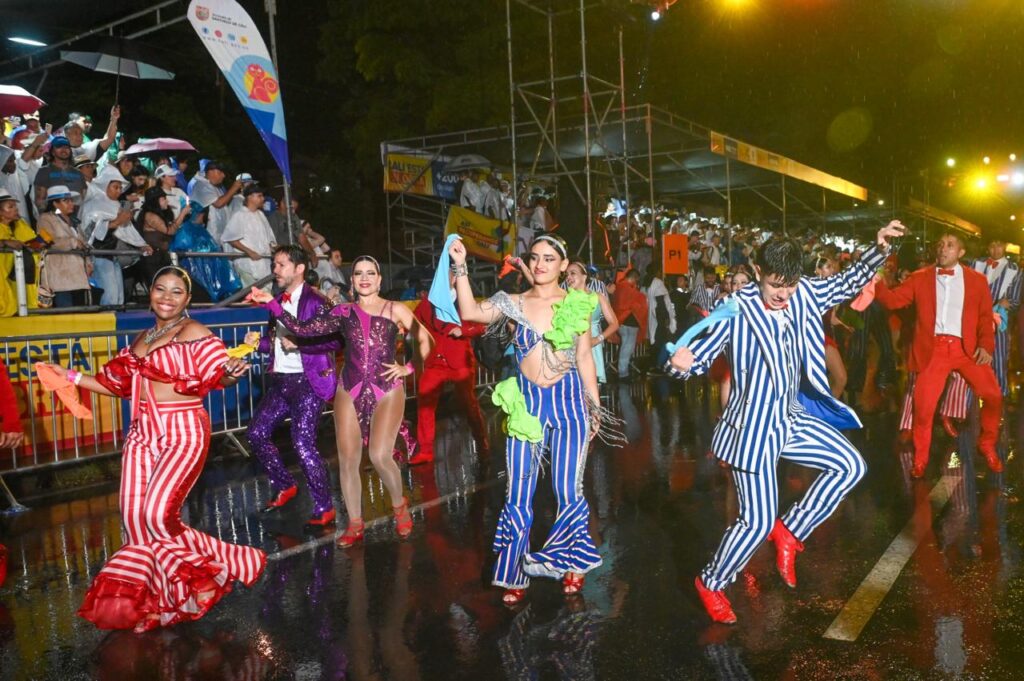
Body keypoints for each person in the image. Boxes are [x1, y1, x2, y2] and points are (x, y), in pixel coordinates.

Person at [667, 221, 904, 624]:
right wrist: (681, 364)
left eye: (790, 286)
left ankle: (790, 532)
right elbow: (700, 354)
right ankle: (711, 582)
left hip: (790, 417)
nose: (783, 294)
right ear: (758, 272)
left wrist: (879, 248)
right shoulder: (736, 308)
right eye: (776, 285)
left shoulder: (805, 292)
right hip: (750, 429)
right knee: (756, 521)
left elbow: (847, 282)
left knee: (850, 465)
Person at [37, 266, 265, 632]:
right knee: (133, 520)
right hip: (142, 434)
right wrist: (70, 376)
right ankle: (155, 604)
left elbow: (217, 373)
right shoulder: (142, 338)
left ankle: (227, 560)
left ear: (187, 299)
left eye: (177, 292)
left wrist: (230, 373)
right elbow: (115, 385)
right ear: (151, 292)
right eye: (160, 289)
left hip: (182, 431)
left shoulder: (194, 332)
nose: (167, 297)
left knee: (158, 516)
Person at [449, 233, 616, 606]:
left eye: (549, 258)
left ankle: (573, 562)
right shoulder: (513, 302)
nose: (540, 264)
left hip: (570, 404)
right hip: (527, 406)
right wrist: (460, 266)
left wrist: (594, 407)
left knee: (567, 490)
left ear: (562, 265)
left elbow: (584, 359)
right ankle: (514, 571)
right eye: (535, 257)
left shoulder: (576, 303)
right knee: (518, 493)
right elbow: (470, 312)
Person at [248, 255, 432, 548]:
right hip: (349, 388)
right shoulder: (343, 311)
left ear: (379, 280)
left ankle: (399, 505)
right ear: (352, 281)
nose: (364, 278)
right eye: (358, 273)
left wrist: (407, 368)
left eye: (370, 273)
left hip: (386, 389)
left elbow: (426, 340)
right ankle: (355, 523)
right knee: (348, 460)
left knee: (379, 456)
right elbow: (304, 329)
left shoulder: (395, 308)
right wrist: (273, 303)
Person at [874, 233, 1004, 478]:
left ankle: (987, 444)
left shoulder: (977, 280)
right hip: (934, 350)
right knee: (923, 409)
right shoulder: (920, 277)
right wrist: (877, 281)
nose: (943, 249)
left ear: (961, 253)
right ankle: (920, 459)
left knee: (994, 396)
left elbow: (985, 317)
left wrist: (986, 346)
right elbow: (892, 301)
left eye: (950, 245)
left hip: (966, 350)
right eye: (941, 244)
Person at [244, 246, 339, 527]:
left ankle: (325, 506)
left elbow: (335, 341)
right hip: (281, 382)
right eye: (274, 264)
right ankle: (285, 485)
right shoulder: (278, 301)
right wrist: (258, 344)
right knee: (256, 433)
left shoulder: (317, 301)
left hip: (308, 382)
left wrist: (301, 344)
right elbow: (277, 345)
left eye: (281, 265)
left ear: (299, 269)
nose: (275, 270)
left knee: (302, 443)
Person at [410, 267, 488, 466]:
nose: (443, 279)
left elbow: (482, 326)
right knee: (425, 404)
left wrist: (463, 331)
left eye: (447, 275)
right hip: (435, 362)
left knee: (469, 405)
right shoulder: (428, 302)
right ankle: (425, 451)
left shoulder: (465, 300)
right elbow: (413, 321)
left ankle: (482, 443)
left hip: (459, 361)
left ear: (454, 278)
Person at [79, 166, 150, 306]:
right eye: (115, 187)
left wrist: (141, 244)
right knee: (109, 296)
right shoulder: (93, 203)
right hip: (98, 254)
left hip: (113, 254)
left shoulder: (116, 205)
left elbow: (127, 229)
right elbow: (90, 230)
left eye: (120, 188)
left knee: (118, 297)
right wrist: (117, 221)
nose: (119, 191)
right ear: (105, 185)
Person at [972, 238, 1020, 395]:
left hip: (998, 320)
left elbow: (1015, 300)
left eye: (999, 245)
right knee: (973, 357)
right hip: (975, 319)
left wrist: (1007, 303)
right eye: (992, 245)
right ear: (987, 247)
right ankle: (971, 397)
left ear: (1005, 246)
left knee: (999, 358)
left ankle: (999, 396)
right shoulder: (976, 264)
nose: (995, 249)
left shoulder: (1015, 269)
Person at [565, 260, 620, 384]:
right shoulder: (564, 297)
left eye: (573, 273)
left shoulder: (598, 297)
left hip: (592, 345)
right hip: (570, 345)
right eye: (566, 274)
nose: (568, 277)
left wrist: (598, 339)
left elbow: (614, 323)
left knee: (591, 384)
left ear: (584, 276)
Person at [37, 185, 91, 308]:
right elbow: (48, 241)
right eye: (66, 201)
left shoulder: (74, 221)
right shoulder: (46, 218)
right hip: (60, 275)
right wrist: (73, 242)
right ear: (55, 203)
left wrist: (88, 262)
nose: (71, 203)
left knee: (80, 310)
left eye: (71, 200)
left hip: (78, 274)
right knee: (65, 309)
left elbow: (83, 243)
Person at [221, 185, 274, 288]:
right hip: (247, 264)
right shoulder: (239, 215)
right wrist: (250, 252)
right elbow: (231, 239)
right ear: (250, 197)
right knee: (252, 294)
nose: (263, 199)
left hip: (263, 263)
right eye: (259, 196)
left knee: (264, 294)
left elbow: (268, 239)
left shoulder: (261, 215)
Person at [136, 186, 190, 284]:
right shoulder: (150, 216)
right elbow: (169, 231)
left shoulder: (162, 215)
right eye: (164, 199)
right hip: (153, 259)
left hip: (163, 257)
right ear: (155, 202)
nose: (167, 201)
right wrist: (182, 214)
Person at [0, 190, 39, 316]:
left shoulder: (19, 224)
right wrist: (5, 242)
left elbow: (31, 240)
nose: (16, 209)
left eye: (15, 206)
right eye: (10, 207)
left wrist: (40, 243)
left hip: (19, 276)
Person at [815, 255, 849, 398]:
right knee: (841, 378)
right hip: (820, 338)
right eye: (828, 267)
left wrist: (845, 326)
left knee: (834, 380)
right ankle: (828, 408)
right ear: (818, 271)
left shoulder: (831, 290)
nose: (832, 270)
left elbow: (832, 318)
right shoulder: (813, 289)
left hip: (827, 337)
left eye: (832, 267)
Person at [610, 268, 647, 380]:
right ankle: (623, 373)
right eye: (637, 280)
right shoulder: (630, 290)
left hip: (620, 321)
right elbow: (638, 302)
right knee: (627, 348)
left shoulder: (618, 287)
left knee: (625, 347)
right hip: (630, 323)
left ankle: (623, 370)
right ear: (634, 278)